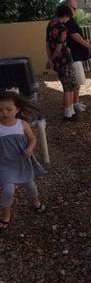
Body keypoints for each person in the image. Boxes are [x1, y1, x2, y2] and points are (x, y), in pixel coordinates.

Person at [0, 90, 45, 231]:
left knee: (31, 186)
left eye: (9, 109)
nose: (4, 113)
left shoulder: (22, 124)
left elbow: (32, 139)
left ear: (17, 109)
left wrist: (30, 148)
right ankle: (6, 215)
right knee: (8, 190)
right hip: (6, 164)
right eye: (0, 110)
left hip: (22, 163)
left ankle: (36, 203)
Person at [46, 4, 78, 120]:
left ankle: (70, 111)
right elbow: (59, 47)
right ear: (65, 15)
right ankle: (68, 113)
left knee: (67, 85)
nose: (68, 19)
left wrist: (50, 60)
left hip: (57, 63)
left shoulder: (50, 24)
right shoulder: (62, 28)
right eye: (68, 17)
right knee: (69, 87)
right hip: (64, 60)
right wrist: (53, 59)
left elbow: (47, 44)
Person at [65, 0, 91, 113]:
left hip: (75, 56)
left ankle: (75, 103)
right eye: (74, 8)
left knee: (77, 82)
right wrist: (88, 46)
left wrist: (86, 42)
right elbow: (75, 36)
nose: (75, 10)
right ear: (68, 7)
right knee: (77, 82)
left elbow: (78, 36)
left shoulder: (70, 20)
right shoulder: (68, 21)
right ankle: (74, 106)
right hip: (74, 57)